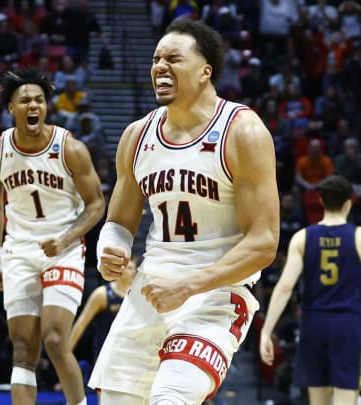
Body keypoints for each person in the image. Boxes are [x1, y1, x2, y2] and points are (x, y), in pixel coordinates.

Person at [88, 18, 280, 404]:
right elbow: (119, 222)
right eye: (156, 59)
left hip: (216, 295)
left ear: (205, 71)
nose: (160, 66)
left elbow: (263, 243)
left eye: (174, 58)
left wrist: (188, 287)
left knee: (171, 398)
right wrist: (109, 248)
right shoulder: (137, 135)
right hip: (151, 289)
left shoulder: (242, 131)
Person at [0, 67, 105, 405]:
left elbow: (97, 205)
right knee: (22, 349)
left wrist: (65, 240)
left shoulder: (71, 148)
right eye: (25, 101)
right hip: (18, 251)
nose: (33, 106)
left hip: (62, 250)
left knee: (53, 339)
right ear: (11, 108)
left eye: (39, 100)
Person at [259, 174, 361, 405]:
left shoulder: (302, 238)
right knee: (346, 399)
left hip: (313, 324)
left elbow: (285, 286)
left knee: (318, 401)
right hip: (348, 325)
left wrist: (267, 330)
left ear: (321, 201)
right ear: (349, 203)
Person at [68, 257, 138, 357]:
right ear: (120, 268)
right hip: (105, 355)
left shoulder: (139, 295)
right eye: (130, 268)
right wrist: (65, 353)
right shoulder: (102, 294)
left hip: (131, 355)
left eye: (134, 268)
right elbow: (81, 324)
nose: (134, 272)